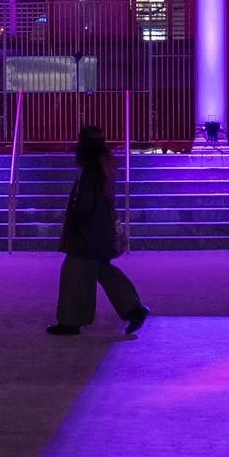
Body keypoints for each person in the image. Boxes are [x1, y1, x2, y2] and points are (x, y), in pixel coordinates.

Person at [48, 124, 149, 338]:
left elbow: (85, 204)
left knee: (74, 272)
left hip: (88, 232)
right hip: (100, 230)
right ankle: (134, 309)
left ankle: (71, 321)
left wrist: (73, 223)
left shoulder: (91, 170)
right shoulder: (103, 166)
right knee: (101, 269)